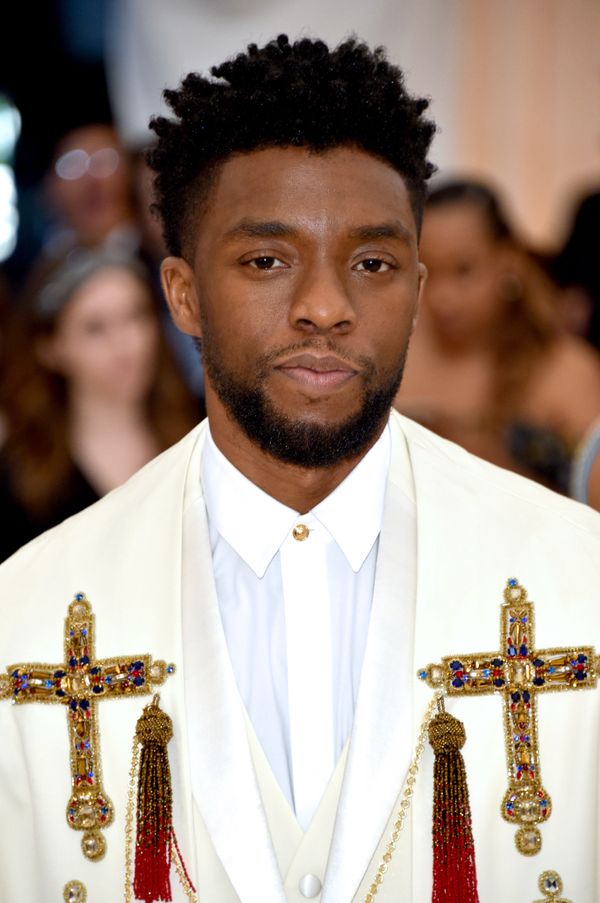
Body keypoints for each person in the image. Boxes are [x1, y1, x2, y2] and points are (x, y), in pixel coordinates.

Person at [0, 35, 599, 903]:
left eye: (373, 263)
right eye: (266, 261)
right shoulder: (29, 616)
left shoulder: (576, 577)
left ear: (418, 288)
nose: (326, 306)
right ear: (183, 293)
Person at [395, 180, 600, 500]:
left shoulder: (567, 369)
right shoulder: (392, 353)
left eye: (463, 270)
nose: (442, 297)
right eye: (427, 271)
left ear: (509, 263)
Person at [0, 248, 199, 560]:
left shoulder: (204, 432)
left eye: (136, 315)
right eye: (95, 328)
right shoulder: (21, 474)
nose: (125, 344)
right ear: (50, 347)